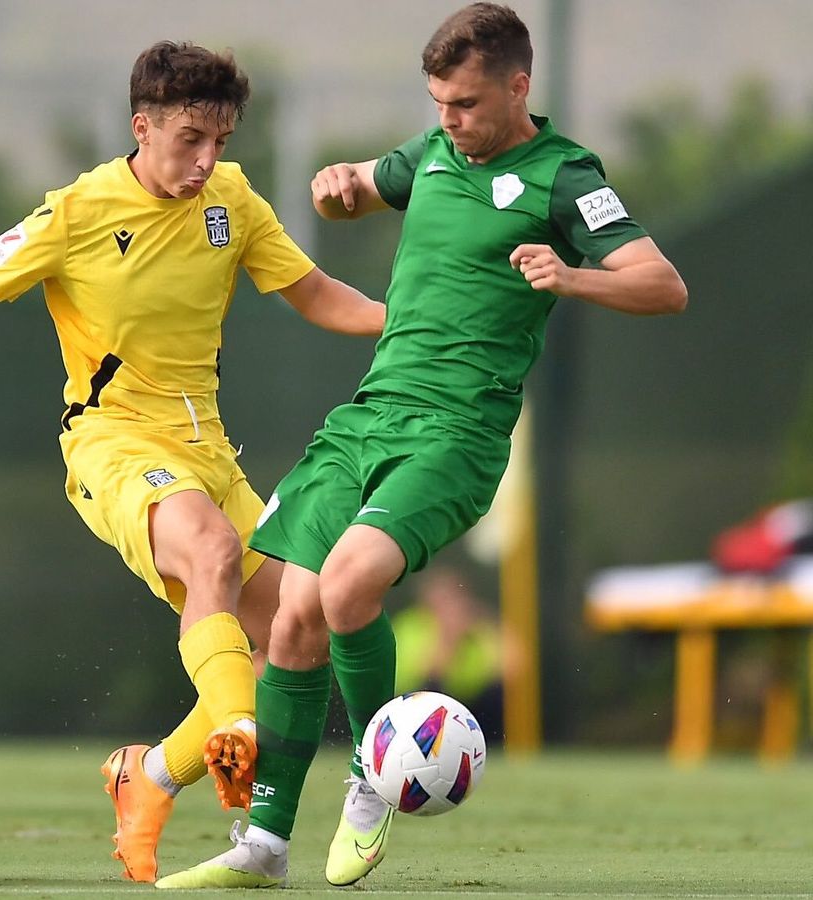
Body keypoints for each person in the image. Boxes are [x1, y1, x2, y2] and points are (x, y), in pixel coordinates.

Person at [0, 42, 385, 882]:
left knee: (296, 632)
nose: (207, 161)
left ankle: (150, 776)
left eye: (221, 142)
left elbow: (311, 292)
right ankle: (237, 727)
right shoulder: (80, 211)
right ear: (142, 125)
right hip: (113, 443)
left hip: (209, 452)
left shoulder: (232, 200)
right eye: (190, 139)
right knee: (214, 556)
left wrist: (406, 325)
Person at [158, 3, 687, 889]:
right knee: (290, 616)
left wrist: (573, 275)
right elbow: (374, 179)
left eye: (468, 102)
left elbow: (663, 285)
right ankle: (265, 846)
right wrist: (343, 184)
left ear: (519, 87)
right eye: (439, 100)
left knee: (348, 582)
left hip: (459, 433)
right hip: (366, 416)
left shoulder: (564, 178)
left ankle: (375, 774)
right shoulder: (434, 149)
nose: (450, 118)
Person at [392, 565, 505, 745]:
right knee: (431, 689)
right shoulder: (411, 626)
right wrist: (449, 638)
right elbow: (430, 675)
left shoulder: (476, 629)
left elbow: (514, 667)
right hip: (417, 709)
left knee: (498, 694)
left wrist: (486, 625)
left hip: (470, 709)